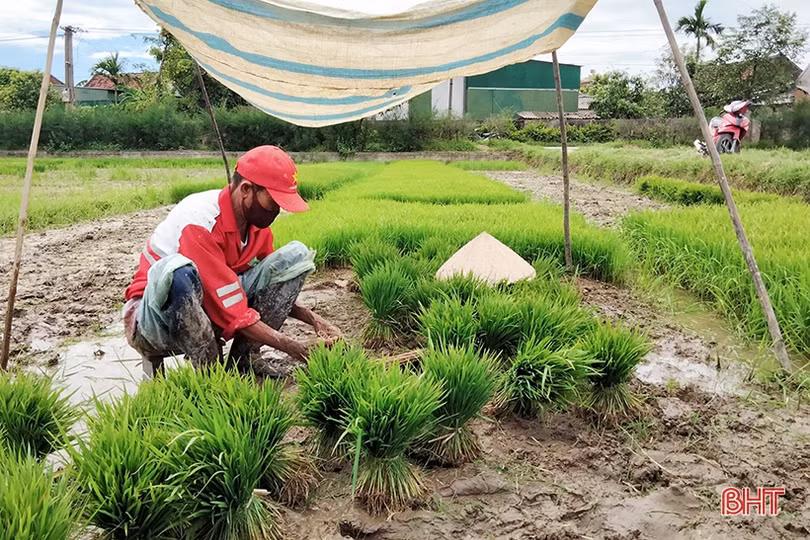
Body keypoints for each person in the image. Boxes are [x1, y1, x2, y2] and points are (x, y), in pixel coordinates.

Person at [123, 145, 341, 378]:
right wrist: (295, 348)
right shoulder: (199, 222)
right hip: (155, 321)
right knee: (179, 273)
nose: (277, 210)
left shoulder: (257, 228)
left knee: (294, 256)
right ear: (246, 189)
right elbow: (229, 308)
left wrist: (313, 319)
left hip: (210, 306)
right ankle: (209, 375)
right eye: (274, 201)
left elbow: (267, 294)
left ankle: (244, 360)